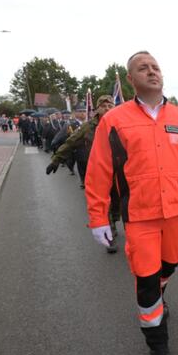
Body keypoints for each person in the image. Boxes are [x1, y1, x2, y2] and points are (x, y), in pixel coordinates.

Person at [85, 51, 178, 355]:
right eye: (143, 68)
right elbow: (98, 171)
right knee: (146, 280)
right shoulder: (114, 120)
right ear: (131, 80)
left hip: (175, 215)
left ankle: (159, 293)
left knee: (168, 266)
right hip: (139, 217)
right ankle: (157, 343)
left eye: (155, 66)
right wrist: (99, 217)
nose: (151, 71)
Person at [46, 96, 120, 253]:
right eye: (103, 105)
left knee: (117, 202)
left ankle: (113, 221)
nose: (107, 108)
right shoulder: (88, 127)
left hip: (120, 172)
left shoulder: (121, 124)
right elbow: (70, 142)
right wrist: (56, 159)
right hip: (99, 173)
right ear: (97, 109)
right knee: (103, 203)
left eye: (110, 105)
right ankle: (109, 234)